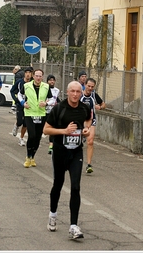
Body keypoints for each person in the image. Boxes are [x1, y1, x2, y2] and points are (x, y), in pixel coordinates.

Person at [43, 81, 92, 239]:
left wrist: (86, 129)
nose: (76, 94)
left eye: (78, 91)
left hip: (76, 152)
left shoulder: (84, 108)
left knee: (76, 187)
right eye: (73, 91)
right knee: (58, 184)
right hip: (60, 151)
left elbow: (88, 120)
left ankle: (73, 225)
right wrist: (64, 131)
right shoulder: (59, 108)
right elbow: (46, 129)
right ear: (67, 91)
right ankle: (52, 214)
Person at [18, 68, 54, 167]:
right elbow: (19, 95)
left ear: (42, 77)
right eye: (36, 76)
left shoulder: (46, 87)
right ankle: (28, 156)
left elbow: (52, 99)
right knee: (32, 135)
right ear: (33, 76)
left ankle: (32, 157)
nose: (38, 78)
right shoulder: (26, 86)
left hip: (41, 114)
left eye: (40, 76)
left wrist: (46, 103)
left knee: (38, 138)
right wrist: (22, 103)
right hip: (29, 113)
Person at [80, 78, 105, 173]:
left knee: (90, 141)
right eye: (88, 86)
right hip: (80, 121)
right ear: (85, 85)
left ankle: (89, 165)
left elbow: (103, 104)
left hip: (92, 120)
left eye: (92, 87)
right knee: (77, 143)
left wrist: (100, 107)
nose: (90, 88)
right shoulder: (79, 95)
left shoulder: (94, 95)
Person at [10, 67, 33, 146]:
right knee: (20, 121)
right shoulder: (19, 82)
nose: (28, 74)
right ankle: (16, 126)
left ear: (31, 74)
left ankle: (21, 138)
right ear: (24, 74)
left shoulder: (33, 83)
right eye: (26, 72)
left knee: (26, 123)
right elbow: (12, 90)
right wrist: (16, 99)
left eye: (29, 73)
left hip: (29, 106)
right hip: (20, 105)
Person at [45, 74, 61, 154]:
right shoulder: (44, 89)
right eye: (50, 80)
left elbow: (57, 99)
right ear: (47, 81)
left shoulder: (57, 90)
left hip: (53, 112)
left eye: (53, 80)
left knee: (52, 128)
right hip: (44, 111)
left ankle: (51, 146)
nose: (52, 81)